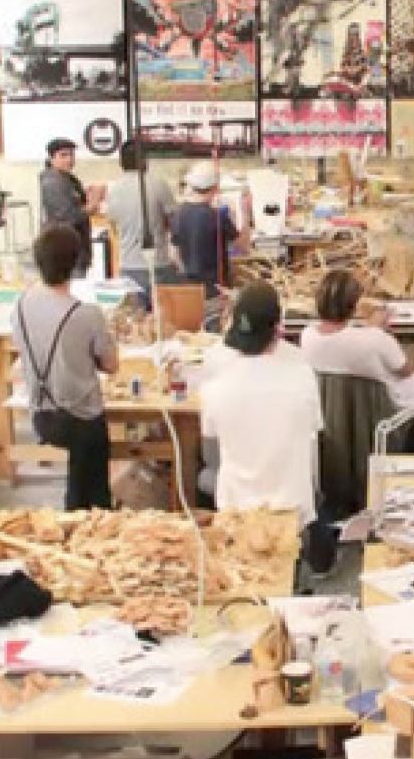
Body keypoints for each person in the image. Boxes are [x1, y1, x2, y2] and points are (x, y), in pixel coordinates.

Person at [200, 282, 331, 570]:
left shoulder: (216, 386)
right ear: (278, 329)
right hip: (291, 503)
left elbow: (210, 439)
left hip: (237, 504)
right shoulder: (301, 376)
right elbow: (314, 431)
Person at [11, 225, 120, 511]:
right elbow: (111, 365)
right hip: (81, 419)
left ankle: (78, 512)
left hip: (41, 413)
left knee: (81, 468)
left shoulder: (20, 306)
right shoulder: (86, 314)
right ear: (75, 264)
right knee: (94, 487)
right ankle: (92, 517)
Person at [301, 270, 414, 408]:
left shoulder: (307, 335)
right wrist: (378, 332)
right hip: (383, 416)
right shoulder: (376, 339)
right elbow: (405, 372)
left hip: (332, 415)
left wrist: (373, 330)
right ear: (353, 305)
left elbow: (344, 340)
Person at [172, 161, 249, 296]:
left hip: (191, 291)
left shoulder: (178, 214)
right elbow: (244, 247)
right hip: (217, 291)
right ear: (214, 188)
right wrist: (246, 212)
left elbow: (175, 255)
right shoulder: (218, 217)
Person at [105, 145, 177, 284]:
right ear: (145, 161)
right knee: (162, 306)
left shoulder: (114, 189)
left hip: (127, 265)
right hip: (157, 264)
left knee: (135, 306)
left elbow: (113, 226)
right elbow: (173, 222)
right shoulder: (158, 184)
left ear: (121, 163)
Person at [38, 138, 95, 276]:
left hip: (76, 244)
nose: (69, 159)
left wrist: (86, 194)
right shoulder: (53, 182)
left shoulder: (66, 177)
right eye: (63, 155)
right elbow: (66, 216)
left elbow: (73, 200)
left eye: (71, 155)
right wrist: (89, 209)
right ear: (51, 158)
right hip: (65, 248)